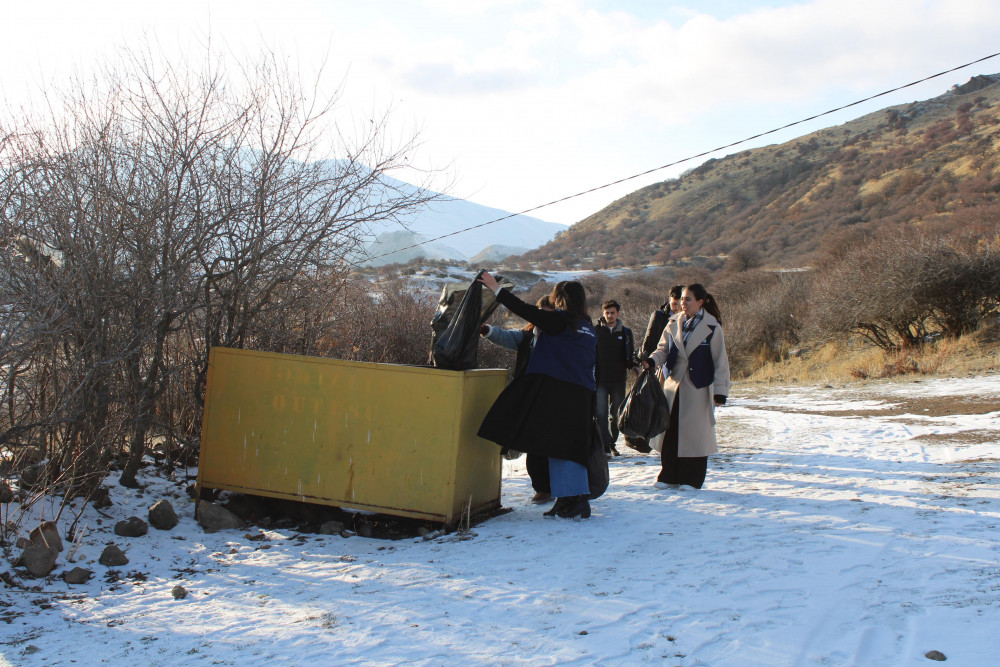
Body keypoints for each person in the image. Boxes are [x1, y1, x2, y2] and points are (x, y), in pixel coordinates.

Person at [477, 272, 597, 519]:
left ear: (561, 300)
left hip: (559, 391)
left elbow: (525, 310)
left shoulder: (560, 321)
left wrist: (496, 289)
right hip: (582, 394)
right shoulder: (587, 326)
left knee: (560, 446)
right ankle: (568, 500)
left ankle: (574, 501)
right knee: (567, 446)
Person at [641, 284, 730, 490]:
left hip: (699, 387)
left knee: (694, 435)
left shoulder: (712, 326)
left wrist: (720, 391)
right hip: (673, 385)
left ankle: (692, 479)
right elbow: (662, 349)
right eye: (682, 299)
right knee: (669, 432)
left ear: (700, 302)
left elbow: (720, 361)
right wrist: (652, 361)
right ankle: (668, 475)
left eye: (688, 299)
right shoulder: (673, 322)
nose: (683, 303)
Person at [479, 295, 555, 504]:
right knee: (534, 443)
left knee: (554, 443)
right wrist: (487, 330)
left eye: (549, 314)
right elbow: (507, 337)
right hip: (531, 396)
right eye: (541, 313)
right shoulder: (529, 335)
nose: (544, 318)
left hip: (556, 397)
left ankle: (558, 485)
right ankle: (542, 488)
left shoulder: (564, 337)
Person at [595, 300, 636, 458]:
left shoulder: (626, 333)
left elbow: (630, 354)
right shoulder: (596, 331)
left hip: (619, 379)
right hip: (600, 379)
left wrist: (634, 367)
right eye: (607, 313)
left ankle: (612, 443)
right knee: (600, 413)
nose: (610, 316)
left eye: (612, 312)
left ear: (618, 313)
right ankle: (604, 446)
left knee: (617, 413)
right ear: (603, 313)